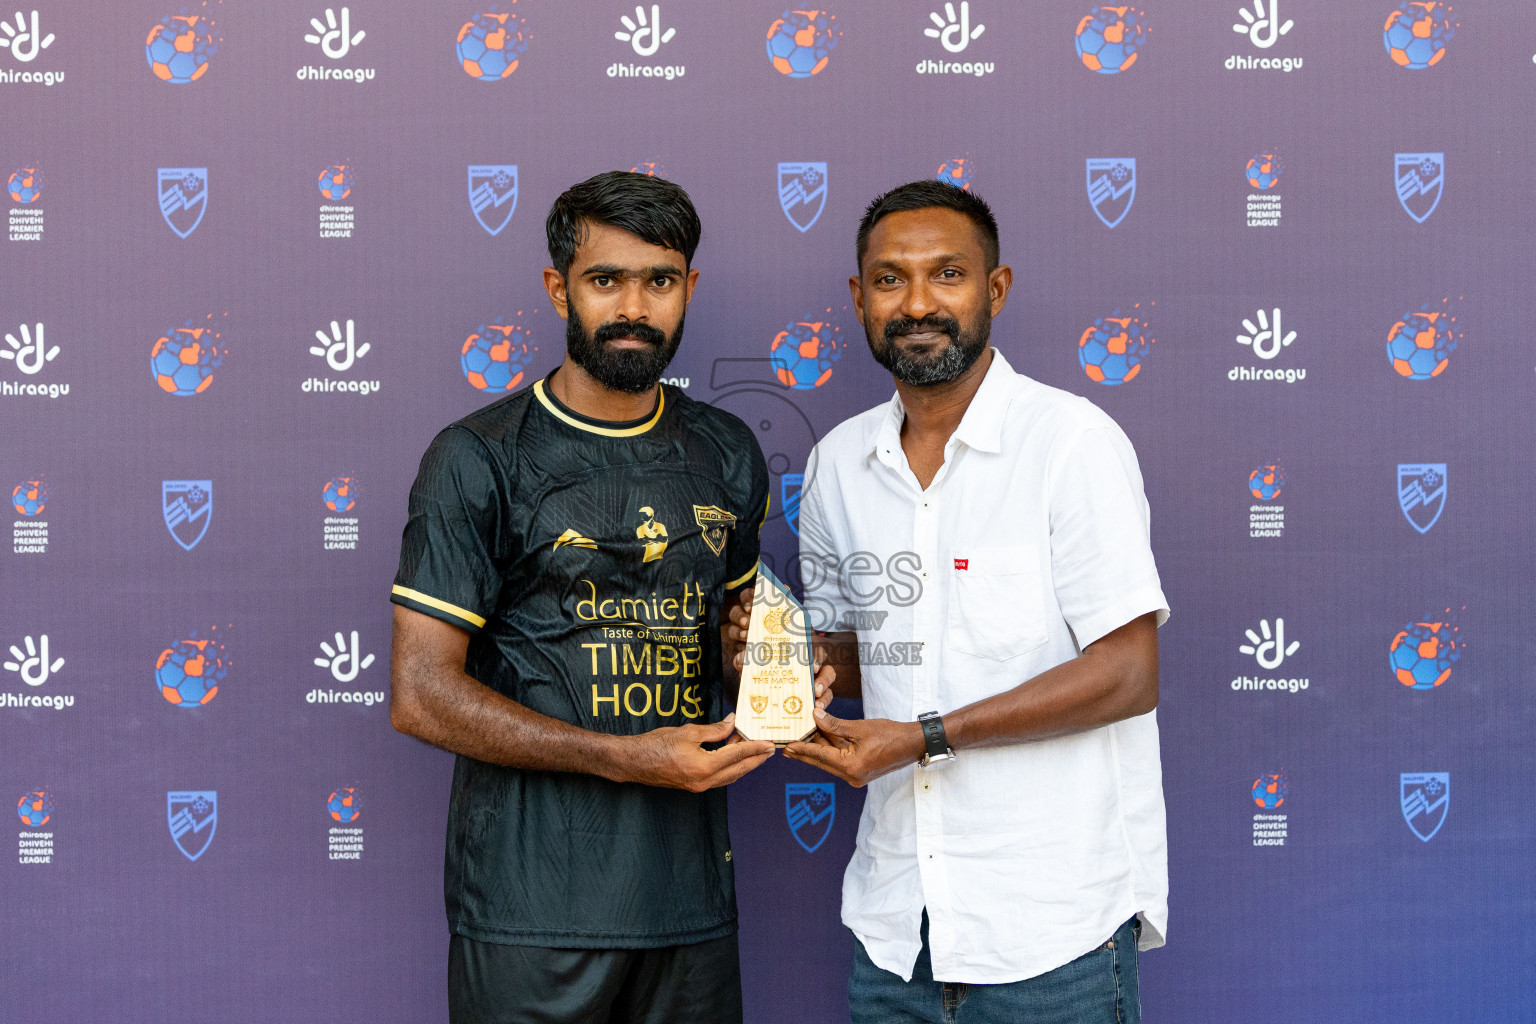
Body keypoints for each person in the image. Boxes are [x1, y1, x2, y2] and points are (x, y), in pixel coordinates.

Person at [389, 170, 828, 1023]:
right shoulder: (477, 457)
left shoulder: (727, 451)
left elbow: (732, 655)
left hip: (688, 904)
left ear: (689, 288)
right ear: (559, 288)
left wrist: (774, 677)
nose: (635, 307)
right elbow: (420, 696)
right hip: (530, 911)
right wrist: (623, 757)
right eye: (606, 281)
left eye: (660, 281)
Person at [762, 180, 1170, 1023]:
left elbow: (1128, 674)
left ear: (996, 288)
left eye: (946, 275)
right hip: (894, 930)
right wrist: (777, 664)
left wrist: (922, 739)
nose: (916, 303)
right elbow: (847, 656)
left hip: (1052, 933)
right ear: (858, 297)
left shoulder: (1070, 443)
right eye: (888, 279)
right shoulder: (840, 462)